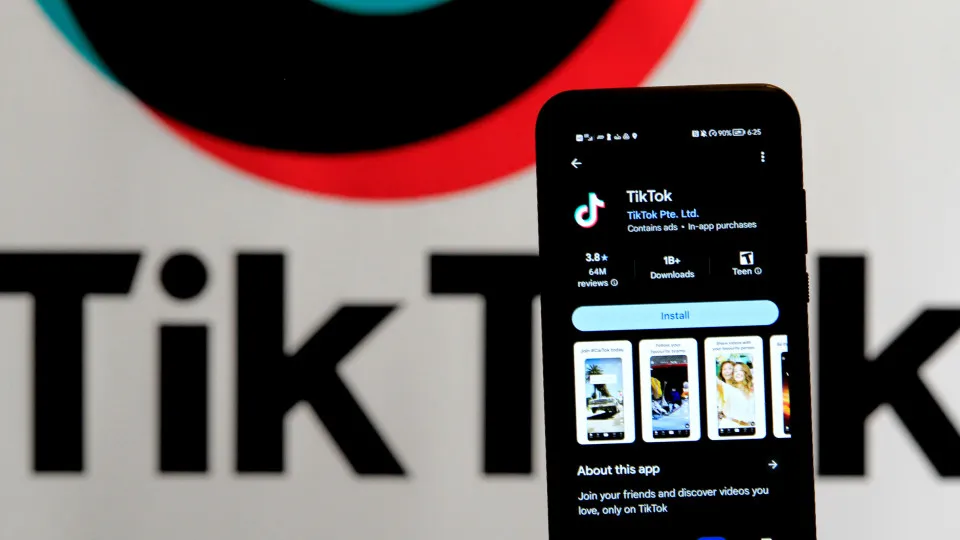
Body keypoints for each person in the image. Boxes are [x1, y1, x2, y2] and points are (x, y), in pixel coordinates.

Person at [718, 361, 755, 429]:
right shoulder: (729, 388)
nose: (737, 373)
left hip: (748, 428)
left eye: (740, 370)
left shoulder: (752, 392)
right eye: (735, 371)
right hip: (730, 426)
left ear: (745, 372)